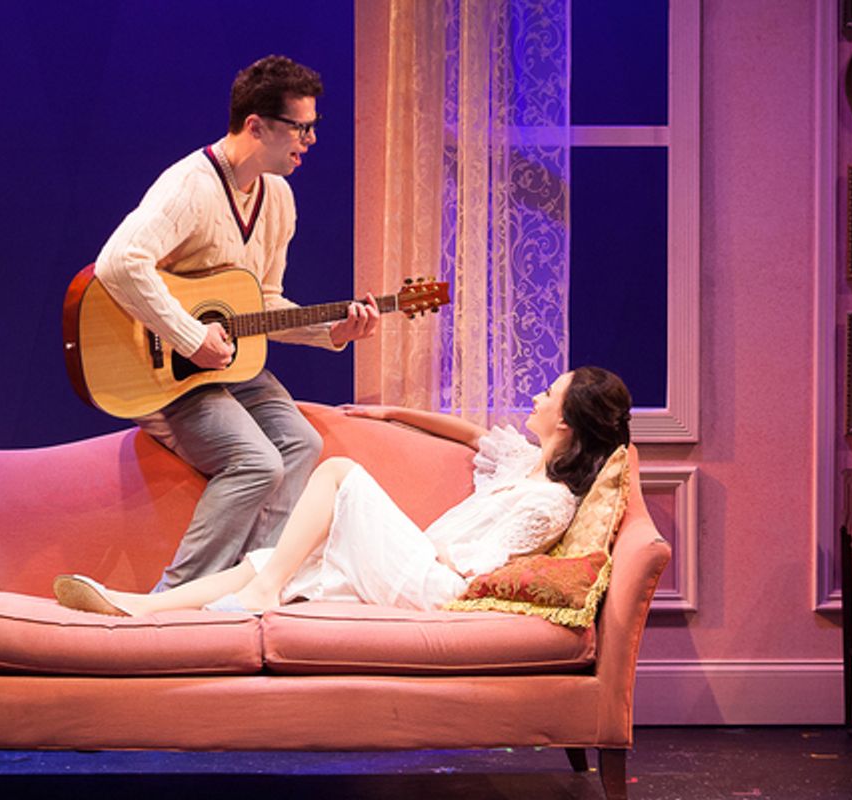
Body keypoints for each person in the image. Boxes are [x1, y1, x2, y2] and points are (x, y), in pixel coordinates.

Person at [93, 55, 380, 591]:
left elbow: (263, 301)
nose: (311, 140)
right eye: (301, 127)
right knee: (257, 463)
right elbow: (118, 261)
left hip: (225, 368)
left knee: (302, 444)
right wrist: (188, 335)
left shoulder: (279, 198)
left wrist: (330, 331)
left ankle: (248, 586)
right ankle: (173, 601)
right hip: (166, 371)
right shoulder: (190, 186)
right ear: (257, 126)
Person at [53, 366, 633, 616]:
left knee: (340, 473)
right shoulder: (525, 461)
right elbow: (473, 434)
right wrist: (389, 411)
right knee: (272, 559)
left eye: (549, 393)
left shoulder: (550, 501)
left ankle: (266, 592)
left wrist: (407, 541)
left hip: (438, 588)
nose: (537, 397)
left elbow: (476, 571)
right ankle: (139, 606)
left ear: (567, 421)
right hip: (417, 566)